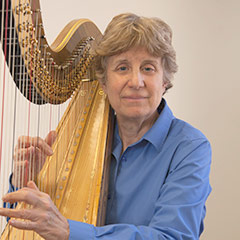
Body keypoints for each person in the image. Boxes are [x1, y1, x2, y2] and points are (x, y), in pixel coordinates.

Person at [0, 13, 211, 239]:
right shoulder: (71, 141)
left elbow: (173, 236)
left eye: (148, 68)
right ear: (103, 81)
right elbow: (23, 224)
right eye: (122, 68)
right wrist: (25, 182)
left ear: (165, 80)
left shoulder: (189, 147)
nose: (136, 82)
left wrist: (70, 231)